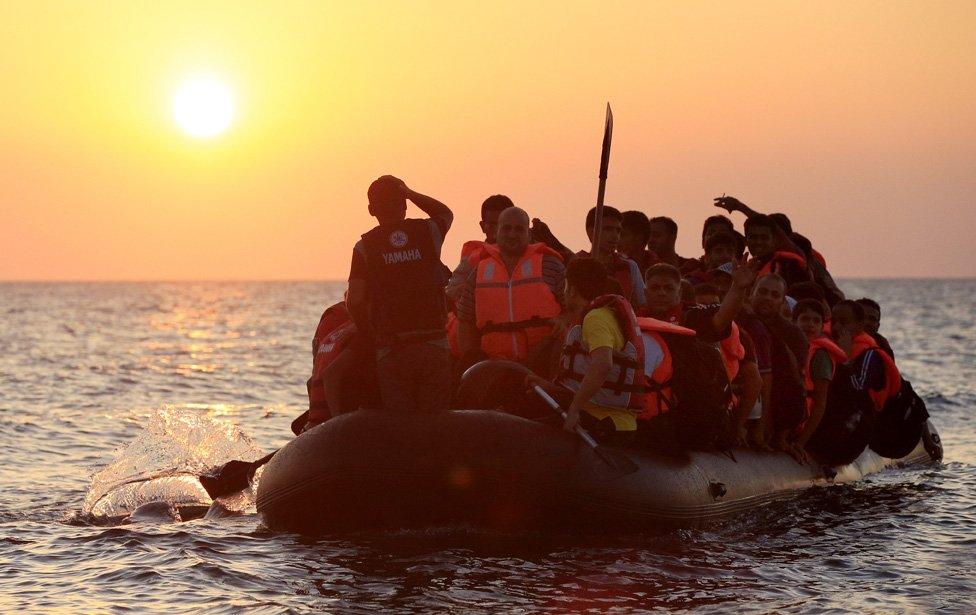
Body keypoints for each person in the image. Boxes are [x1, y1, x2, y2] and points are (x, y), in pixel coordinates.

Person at [346, 175, 453, 412]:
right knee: (436, 422)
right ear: (404, 204)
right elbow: (445, 212)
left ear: (371, 209)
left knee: (400, 425)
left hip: (392, 350)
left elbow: (355, 300)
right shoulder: (428, 232)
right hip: (433, 344)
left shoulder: (364, 247)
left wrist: (369, 333)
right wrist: (410, 192)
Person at [527, 258, 645, 445]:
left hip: (605, 422)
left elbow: (603, 364)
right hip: (601, 415)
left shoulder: (595, 318)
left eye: (566, 287)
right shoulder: (602, 315)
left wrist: (573, 410)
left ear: (572, 289)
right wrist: (546, 385)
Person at [456, 207, 565, 366]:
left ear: (529, 235)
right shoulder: (479, 271)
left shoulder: (551, 265)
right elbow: (465, 321)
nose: (512, 235)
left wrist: (563, 321)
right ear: (497, 232)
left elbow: (574, 308)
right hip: (492, 369)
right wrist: (468, 361)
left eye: (519, 229)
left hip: (544, 366)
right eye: (506, 228)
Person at [736, 273, 809, 451]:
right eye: (762, 292)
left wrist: (764, 426)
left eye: (774, 295)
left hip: (775, 403)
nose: (767, 298)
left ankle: (776, 436)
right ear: (751, 293)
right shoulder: (738, 320)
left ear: (783, 301)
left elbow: (791, 382)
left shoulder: (793, 335)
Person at [792, 299, 847, 461]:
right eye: (805, 319)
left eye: (816, 321)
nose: (810, 325)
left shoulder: (820, 355)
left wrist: (800, 443)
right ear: (793, 321)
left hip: (802, 422)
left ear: (822, 326)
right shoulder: (788, 346)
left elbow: (820, 402)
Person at [830, 300, 901, 413]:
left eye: (843, 322)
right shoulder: (827, 344)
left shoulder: (871, 354)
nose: (836, 327)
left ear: (859, 325)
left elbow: (857, 392)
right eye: (833, 321)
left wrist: (845, 360)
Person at [445, 195, 514, 303]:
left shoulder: (531, 255)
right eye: (492, 225)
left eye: (503, 225)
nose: (498, 230)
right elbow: (452, 293)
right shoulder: (473, 259)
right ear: (482, 226)